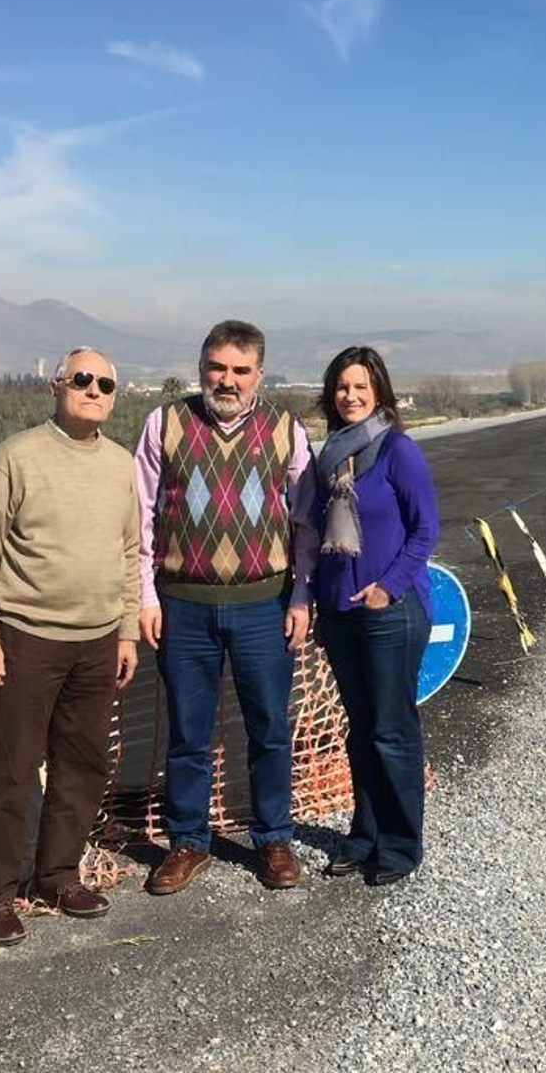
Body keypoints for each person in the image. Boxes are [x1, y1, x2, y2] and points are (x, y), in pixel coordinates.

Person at [0, 347, 141, 947]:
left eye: (105, 383)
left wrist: (127, 630)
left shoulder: (120, 465)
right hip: (26, 639)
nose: (93, 390)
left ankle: (58, 876)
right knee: (9, 772)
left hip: (97, 642)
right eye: (82, 379)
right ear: (56, 387)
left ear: (115, 396)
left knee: (82, 766)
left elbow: (129, 555)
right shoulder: (17, 456)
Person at [134, 320, 317, 893]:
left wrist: (304, 595)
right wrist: (144, 595)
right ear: (201, 369)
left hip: (266, 604)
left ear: (260, 374)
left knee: (268, 729)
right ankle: (188, 842)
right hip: (182, 605)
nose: (228, 380)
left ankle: (273, 839)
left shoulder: (287, 429)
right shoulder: (164, 423)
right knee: (188, 733)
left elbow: (306, 521)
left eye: (241, 370)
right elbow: (137, 516)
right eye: (218, 368)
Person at [308, 346, 439, 885]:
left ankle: (401, 844)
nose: (350, 396)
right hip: (340, 611)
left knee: (391, 730)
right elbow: (316, 532)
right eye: (342, 387)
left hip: (391, 611)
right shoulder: (330, 457)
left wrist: (388, 587)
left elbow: (424, 530)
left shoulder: (398, 451)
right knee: (359, 730)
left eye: (361, 386)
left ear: (380, 391)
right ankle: (363, 836)